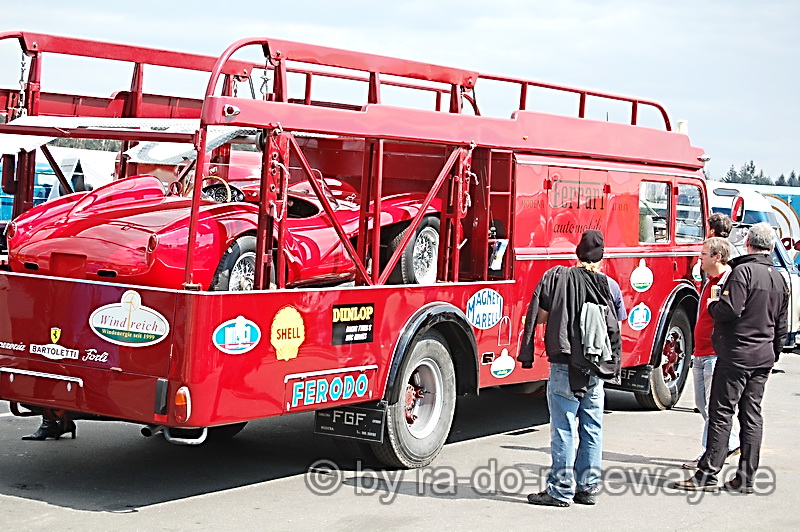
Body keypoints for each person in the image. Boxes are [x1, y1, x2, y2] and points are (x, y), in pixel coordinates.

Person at [674, 222, 788, 493]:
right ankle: (745, 477)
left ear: (748, 242)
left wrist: (713, 305)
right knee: (752, 416)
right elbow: (781, 326)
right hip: (762, 356)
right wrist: (773, 356)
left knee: (721, 413)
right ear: (771, 247)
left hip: (737, 353)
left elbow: (729, 310)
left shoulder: (742, 272)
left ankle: (708, 473)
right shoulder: (779, 278)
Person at [519, 230, 625, 507]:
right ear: (602, 258)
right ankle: (587, 488)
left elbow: (539, 317)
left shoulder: (558, 279)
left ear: (577, 254)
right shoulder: (610, 286)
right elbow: (618, 324)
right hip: (595, 366)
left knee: (564, 428)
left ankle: (560, 491)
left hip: (565, 363)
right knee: (592, 427)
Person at [682, 237, 739, 470]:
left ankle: (709, 452)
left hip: (715, 353)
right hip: (701, 351)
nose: (700, 258)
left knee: (713, 404)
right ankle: (731, 441)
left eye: (704, 254)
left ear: (717, 256)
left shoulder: (730, 281)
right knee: (702, 404)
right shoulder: (708, 282)